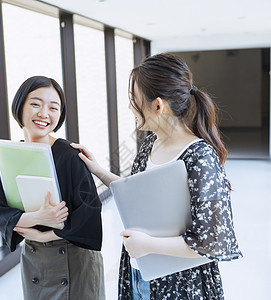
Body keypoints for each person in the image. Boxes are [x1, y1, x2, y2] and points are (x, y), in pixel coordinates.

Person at [71, 53, 242, 299]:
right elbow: (136, 192)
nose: (130, 107)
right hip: (140, 274)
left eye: (134, 100)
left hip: (181, 286)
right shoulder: (151, 142)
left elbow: (211, 243)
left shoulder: (200, 158)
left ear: (158, 105)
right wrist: (97, 169)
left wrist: (148, 245)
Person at [0, 76, 105, 300]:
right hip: (35, 260)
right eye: (35, 104)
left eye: (53, 108)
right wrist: (37, 217)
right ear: (20, 106)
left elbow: (90, 216)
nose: (44, 114)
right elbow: (0, 212)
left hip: (76, 261)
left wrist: (45, 236)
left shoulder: (71, 155)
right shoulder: (8, 156)